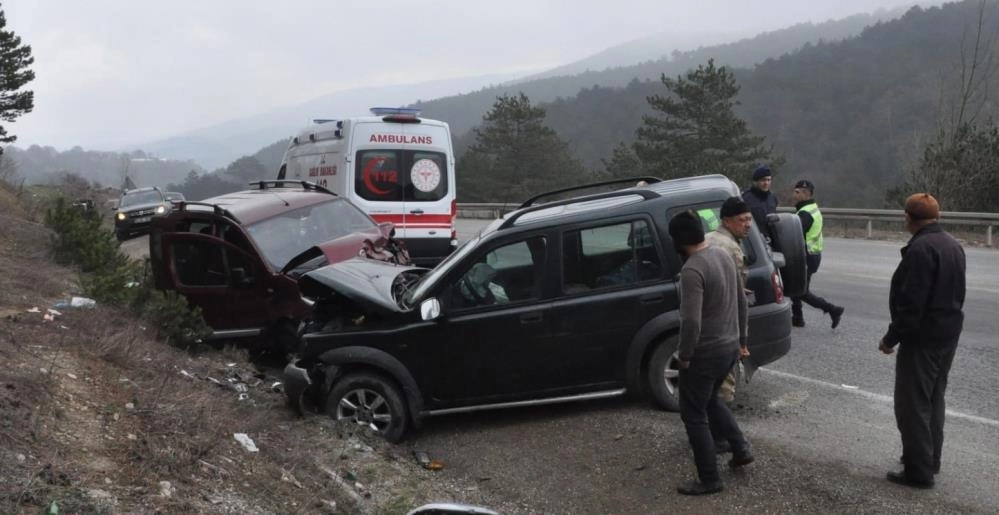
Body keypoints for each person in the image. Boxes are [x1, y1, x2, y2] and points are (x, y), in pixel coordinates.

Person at [879, 193, 965, 490]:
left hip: (923, 339)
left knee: (912, 405)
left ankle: (918, 472)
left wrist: (892, 337)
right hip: (948, 335)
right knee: (934, 398)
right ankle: (930, 459)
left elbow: (911, 303)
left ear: (909, 217)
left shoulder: (921, 250)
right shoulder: (953, 245)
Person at [668, 210, 753, 496]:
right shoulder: (722, 255)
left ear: (678, 241)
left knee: (693, 413)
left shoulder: (692, 269)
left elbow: (691, 321)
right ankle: (740, 448)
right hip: (729, 348)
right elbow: (742, 300)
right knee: (712, 400)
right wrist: (741, 339)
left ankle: (709, 479)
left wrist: (685, 355)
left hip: (705, 353)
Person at [705, 197, 753, 408]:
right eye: (742, 220)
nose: (748, 224)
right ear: (727, 221)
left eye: (749, 219)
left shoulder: (706, 239)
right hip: (724, 326)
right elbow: (737, 298)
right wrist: (742, 340)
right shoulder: (732, 249)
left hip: (704, 323)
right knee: (725, 383)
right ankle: (723, 432)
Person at [790, 179, 845, 328]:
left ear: (805, 193)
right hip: (812, 255)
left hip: (807, 256)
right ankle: (797, 318)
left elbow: (796, 234)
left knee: (801, 291)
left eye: (797, 192)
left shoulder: (806, 213)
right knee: (796, 287)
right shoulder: (811, 208)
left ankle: (833, 310)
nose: (794, 194)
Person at [741, 165, 777, 237]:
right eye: (763, 180)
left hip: (771, 240)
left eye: (768, 180)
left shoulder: (772, 198)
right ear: (755, 182)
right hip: (755, 240)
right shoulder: (746, 199)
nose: (766, 183)